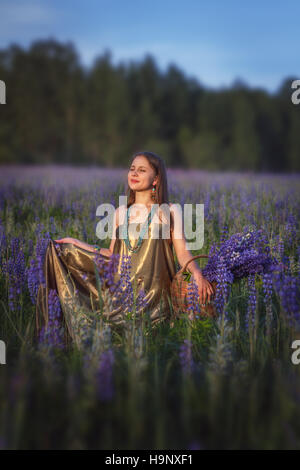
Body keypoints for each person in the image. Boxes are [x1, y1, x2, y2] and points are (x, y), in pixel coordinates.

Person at [35, 151, 214, 345]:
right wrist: (77, 244)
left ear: (156, 179)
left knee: (154, 342)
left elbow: (182, 252)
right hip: (123, 297)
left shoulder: (169, 211)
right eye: (132, 169)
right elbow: (111, 255)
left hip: (156, 301)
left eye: (142, 170)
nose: (134, 173)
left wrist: (196, 273)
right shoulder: (121, 213)